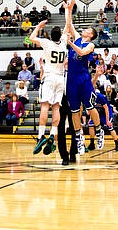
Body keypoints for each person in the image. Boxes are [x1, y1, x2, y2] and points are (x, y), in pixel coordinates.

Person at [63, 0, 104, 155]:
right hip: (71, 80)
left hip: (84, 79)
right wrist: (69, 9)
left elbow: (81, 53)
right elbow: (69, 24)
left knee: (90, 107)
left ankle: (99, 131)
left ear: (91, 35)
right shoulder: (77, 37)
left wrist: (70, 44)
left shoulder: (90, 45)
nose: (84, 30)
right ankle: (79, 138)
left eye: (87, 29)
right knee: (74, 111)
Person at [30, 20, 67, 156]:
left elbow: (31, 38)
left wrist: (39, 26)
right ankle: (52, 134)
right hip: (60, 78)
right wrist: (68, 10)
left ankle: (41, 136)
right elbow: (67, 27)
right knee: (56, 107)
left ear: (50, 36)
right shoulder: (63, 44)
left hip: (50, 76)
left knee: (45, 106)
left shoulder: (47, 43)